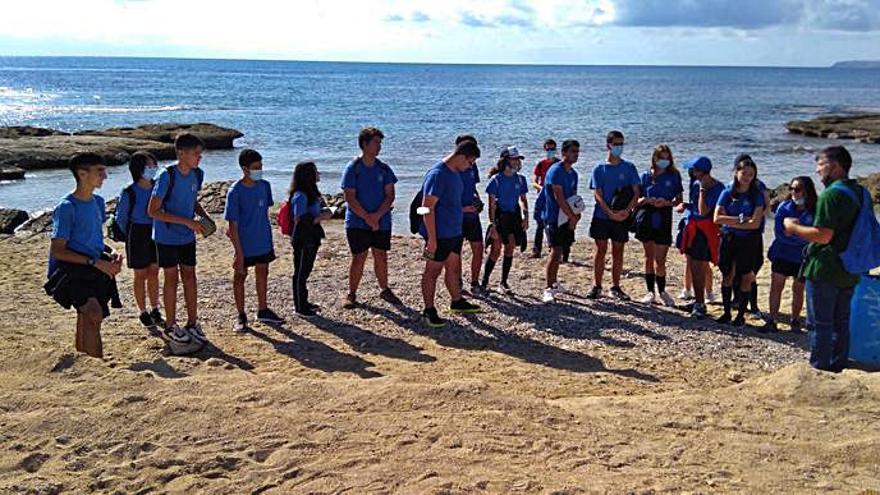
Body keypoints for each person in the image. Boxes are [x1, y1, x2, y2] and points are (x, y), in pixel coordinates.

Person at [784, 146, 862, 372]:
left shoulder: (831, 194)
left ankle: (819, 370)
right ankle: (838, 367)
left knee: (820, 324)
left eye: (821, 164)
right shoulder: (859, 191)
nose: (817, 170)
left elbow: (823, 235)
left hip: (825, 268)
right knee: (841, 322)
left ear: (835, 165)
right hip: (849, 267)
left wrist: (794, 227)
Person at [45, 153, 123, 358]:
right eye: (99, 171)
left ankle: (84, 360)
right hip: (73, 268)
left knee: (87, 315)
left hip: (96, 265)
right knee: (93, 312)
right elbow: (58, 249)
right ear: (82, 173)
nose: (105, 176)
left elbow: (92, 238)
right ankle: (96, 362)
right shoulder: (66, 207)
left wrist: (111, 252)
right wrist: (94, 262)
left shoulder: (98, 202)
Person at [147, 133, 209, 346]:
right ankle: (171, 325)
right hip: (166, 236)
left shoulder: (197, 174)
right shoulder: (167, 175)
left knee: (190, 276)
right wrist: (186, 221)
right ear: (181, 153)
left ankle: (192, 322)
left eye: (200, 154)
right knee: (171, 278)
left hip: (186, 236)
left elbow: (192, 201)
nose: (199, 158)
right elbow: (153, 211)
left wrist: (203, 217)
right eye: (195, 154)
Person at [419, 140, 483, 328]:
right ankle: (428, 310)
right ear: (461, 156)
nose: (470, 167)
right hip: (439, 234)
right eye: (470, 162)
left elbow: (451, 203)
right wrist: (431, 238)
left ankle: (457, 301)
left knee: (454, 269)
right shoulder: (438, 174)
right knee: (432, 272)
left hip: (454, 231)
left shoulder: (457, 174)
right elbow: (426, 208)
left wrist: (466, 209)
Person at [340, 127, 402, 309]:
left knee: (381, 256)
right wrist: (367, 217)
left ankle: (384, 288)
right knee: (359, 257)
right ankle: (351, 293)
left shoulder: (384, 169)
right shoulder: (353, 168)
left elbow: (390, 195)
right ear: (365, 144)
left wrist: (376, 216)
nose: (379, 147)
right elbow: (349, 197)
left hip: (381, 220)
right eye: (376, 142)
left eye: (380, 143)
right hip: (357, 222)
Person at [224, 149, 284, 331]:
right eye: (256, 167)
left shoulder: (264, 186)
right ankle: (241, 315)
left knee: (263, 272)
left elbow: (263, 212)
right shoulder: (235, 192)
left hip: (263, 240)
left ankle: (263, 309)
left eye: (261, 166)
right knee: (240, 276)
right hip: (244, 243)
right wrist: (238, 253)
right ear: (244, 169)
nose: (260, 170)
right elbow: (232, 226)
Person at [713, 155, 766, 327]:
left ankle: (741, 316)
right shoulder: (727, 192)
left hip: (749, 241)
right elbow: (717, 218)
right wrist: (742, 220)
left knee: (745, 276)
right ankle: (727, 312)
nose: (747, 177)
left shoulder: (756, 194)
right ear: (736, 172)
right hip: (729, 239)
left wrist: (734, 221)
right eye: (744, 173)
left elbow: (756, 223)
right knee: (727, 275)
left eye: (751, 174)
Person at [587, 130, 641, 300]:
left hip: (622, 217)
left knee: (618, 251)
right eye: (616, 144)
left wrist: (627, 211)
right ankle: (597, 285)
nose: (619, 147)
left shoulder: (629, 167)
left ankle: (616, 286)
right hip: (602, 216)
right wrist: (609, 212)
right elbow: (597, 194)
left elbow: (636, 192)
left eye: (621, 144)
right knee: (600, 250)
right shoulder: (599, 168)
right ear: (608, 145)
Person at [114, 151, 164, 328]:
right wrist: (129, 235)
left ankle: (155, 308)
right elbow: (121, 218)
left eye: (153, 165)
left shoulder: (158, 186)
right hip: (137, 232)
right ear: (138, 168)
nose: (153, 169)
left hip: (156, 230)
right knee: (140, 274)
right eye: (148, 166)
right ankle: (143, 311)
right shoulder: (129, 191)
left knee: (154, 271)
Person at [765, 176, 817, 333]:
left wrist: (794, 233)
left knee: (798, 289)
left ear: (807, 191)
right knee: (776, 286)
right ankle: (772, 320)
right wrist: (801, 233)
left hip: (803, 257)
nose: (794, 192)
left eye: (798, 189)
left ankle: (795, 320)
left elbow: (814, 235)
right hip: (782, 253)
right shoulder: (784, 207)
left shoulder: (814, 210)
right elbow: (780, 234)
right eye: (792, 189)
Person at [633, 145, 683, 306]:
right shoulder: (645, 176)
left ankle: (662, 290)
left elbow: (678, 200)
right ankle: (650, 292)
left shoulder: (674, 176)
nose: (664, 161)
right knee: (649, 256)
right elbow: (636, 200)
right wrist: (646, 200)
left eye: (667, 158)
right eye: (661, 157)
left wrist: (666, 202)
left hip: (664, 216)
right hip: (647, 216)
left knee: (660, 259)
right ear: (654, 158)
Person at [677, 156, 725, 319]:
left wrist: (703, 190)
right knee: (692, 263)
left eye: (693, 170)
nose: (690, 173)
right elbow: (695, 206)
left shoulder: (718, 188)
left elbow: (704, 211)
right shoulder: (695, 184)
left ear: (701, 172)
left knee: (700, 266)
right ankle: (698, 300)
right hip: (693, 226)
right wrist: (685, 206)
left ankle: (701, 303)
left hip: (706, 230)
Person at [482, 146, 529, 294]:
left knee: (510, 247)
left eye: (518, 159)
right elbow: (491, 206)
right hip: (500, 217)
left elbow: (523, 200)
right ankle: (484, 282)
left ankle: (503, 282)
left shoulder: (521, 180)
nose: (516, 162)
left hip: (514, 216)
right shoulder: (496, 180)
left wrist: (526, 216)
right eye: (514, 159)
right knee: (496, 250)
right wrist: (492, 225)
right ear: (505, 160)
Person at [288, 162, 333, 318]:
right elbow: (299, 218)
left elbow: (316, 209)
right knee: (300, 273)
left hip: (312, 236)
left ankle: (304, 302)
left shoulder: (312, 192)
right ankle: (300, 307)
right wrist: (320, 217)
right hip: (303, 237)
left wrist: (325, 211)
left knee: (306, 271)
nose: (318, 174)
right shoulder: (300, 195)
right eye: (315, 172)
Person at [542, 139, 581, 303]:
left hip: (566, 217)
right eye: (572, 151)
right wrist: (571, 215)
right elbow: (558, 197)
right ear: (564, 153)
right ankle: (548, 288)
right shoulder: (556, 170)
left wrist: (576, 216)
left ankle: (555, 282)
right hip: (553, 217)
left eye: (577, 151)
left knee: (562, 251)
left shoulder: (573, 174)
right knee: (555, 250)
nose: (576, 154)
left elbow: (573, 198)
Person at [456, 134, 486, 296]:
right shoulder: (452, 167)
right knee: (456, 251)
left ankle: (475, 282)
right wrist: (462, 208)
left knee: (478, 248)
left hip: (472, 214)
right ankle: (458, 282)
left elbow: (472, 187)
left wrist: (478, 200)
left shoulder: (472, 166)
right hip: (458, 215)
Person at [531, 139, 567, 261]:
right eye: (548, 149)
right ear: (544, 149)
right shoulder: (541, 164)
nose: (550, 151)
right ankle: (537, 250)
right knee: (540, 223)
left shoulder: (559, 164)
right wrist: (543, 189)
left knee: (555, 224)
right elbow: (534, 182)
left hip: (555, 199)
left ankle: (555, 248)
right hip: (542, 199)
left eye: (552, 149)